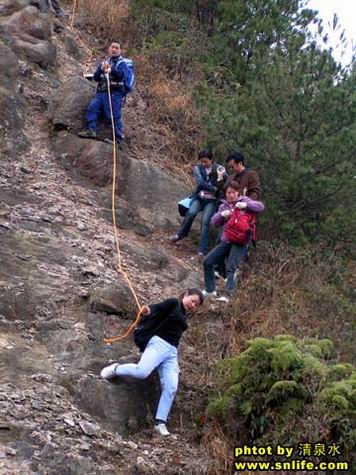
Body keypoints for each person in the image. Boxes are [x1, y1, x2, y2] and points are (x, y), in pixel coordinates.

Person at [100, 288, 204, 436]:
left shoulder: (183, 314)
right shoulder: (173, 303)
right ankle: (116, 369)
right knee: (142, 372)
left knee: (171, 386)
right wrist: (148, 310)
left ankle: (160, 422)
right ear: (185, 295)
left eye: (197, 304)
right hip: (158, 344)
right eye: (192, 300)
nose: (193, 305)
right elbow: (157, 307)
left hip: (171, 352)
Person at [202, 182, 264, 301]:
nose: (231, 195)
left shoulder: (244, 200)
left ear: (238, 192)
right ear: (225, 194)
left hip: (241, 240)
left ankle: (229, 295)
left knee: (231, 267)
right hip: (227, 239)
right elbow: (214, 222)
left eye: (233, 192)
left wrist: (245, 205)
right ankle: (210, 290)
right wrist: (222, 215)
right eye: (229, 193)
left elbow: (260, 207)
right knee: (207, 261)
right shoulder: (223, 206)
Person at [170, 149, 226, 257]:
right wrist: (214, 188)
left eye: (206, 161)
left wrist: (219, 182)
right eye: (202, 161)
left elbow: (224, 182)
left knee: (205, 222)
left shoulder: (219, 168)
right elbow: (200, 183)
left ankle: (202, 250)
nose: (203, 164)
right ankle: (180, 234)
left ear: (211, 160)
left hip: (212, 201)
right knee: (191, 213)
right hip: (199, 198)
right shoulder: (197, 168)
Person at [78, 42, 132, 143]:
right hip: (102, 91)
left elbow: (122, 75)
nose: (114, 50)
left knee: (113, 115)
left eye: (117, 48)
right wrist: (101, 70)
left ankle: (116, 139)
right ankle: (91, 130)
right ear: (109, 49)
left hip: (114, 92)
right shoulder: (105, 62)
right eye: (112, 47)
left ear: (120, 51)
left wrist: (112, 71)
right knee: (92, 108)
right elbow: (96, 77)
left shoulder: (122, 64)